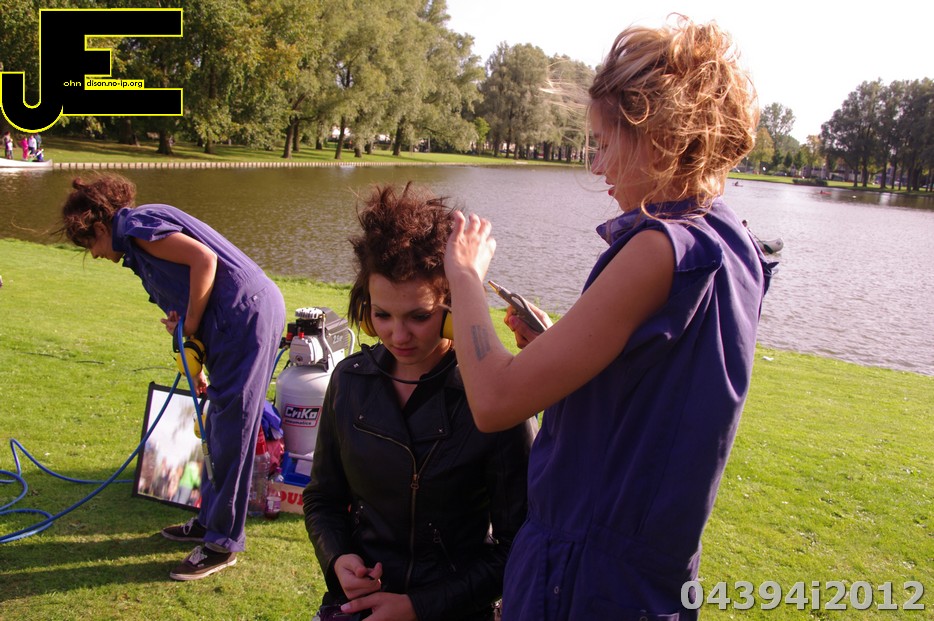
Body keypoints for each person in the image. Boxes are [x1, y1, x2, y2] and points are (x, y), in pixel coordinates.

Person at [442, 15, 774, 620]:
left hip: (582, 576)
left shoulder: (656, 249)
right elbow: (665, 389)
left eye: (603, 143)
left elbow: (492, 401)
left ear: (659, 137)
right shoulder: (733, 243)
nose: (598, 166)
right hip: (651, 576)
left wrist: (464, 274)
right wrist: (559, 347)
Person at [303, 183, 535, 621]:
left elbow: (519, 544)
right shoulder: (349, 381)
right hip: (358, 606)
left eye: (419, 316)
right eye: (382, 314)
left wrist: (417, 607)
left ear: (453, 309)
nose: (398, 335)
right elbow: (322, 499)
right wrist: (337, 559)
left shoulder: (494, 398)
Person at [58, 172, 286, 581]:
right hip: (231, 324)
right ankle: (208, 523)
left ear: (98, 225)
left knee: (232, 431)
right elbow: (190, 284)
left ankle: (222, 544)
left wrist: (192, 325)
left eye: (88, 243)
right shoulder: (136, 242)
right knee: (216, 428)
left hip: (244, 317)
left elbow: (204, 261)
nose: (93, 253)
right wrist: (190, 345)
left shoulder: (136, 225)